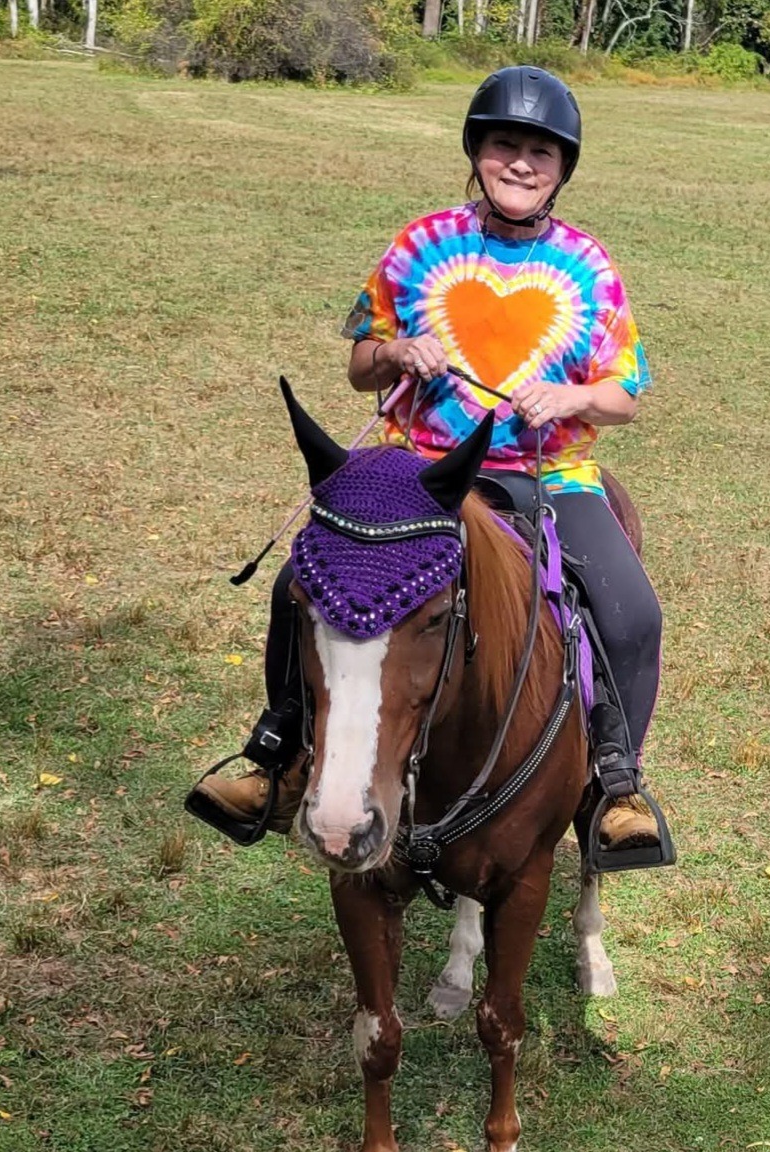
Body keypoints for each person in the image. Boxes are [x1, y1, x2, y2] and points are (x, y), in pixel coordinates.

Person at [193, 65, 664, 852]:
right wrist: (396, 352)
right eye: (504, 145)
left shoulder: (590, 265)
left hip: (544, 474)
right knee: (297, 583)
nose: (521, 164)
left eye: (541, 153)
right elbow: (360, 366)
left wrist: (570, 397)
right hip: (413, 467)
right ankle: (276, 757)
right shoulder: (418, 243)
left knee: (631, 614)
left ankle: (616, 783)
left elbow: (624, 398)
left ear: (563, 169)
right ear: (476, 151)